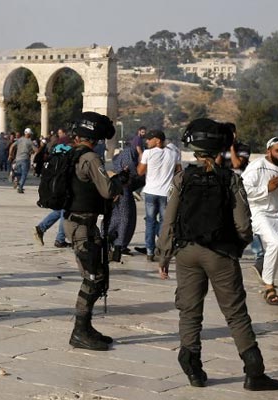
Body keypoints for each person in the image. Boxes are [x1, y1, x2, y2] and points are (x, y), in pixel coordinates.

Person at [157, 118, 278, 391]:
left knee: (189, 311)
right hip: (221, 253)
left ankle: (193, 367)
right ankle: (254, 372)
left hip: (187, 253)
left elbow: (168, 220)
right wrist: (238, 247)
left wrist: (164, 256)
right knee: (236, 314)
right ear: (218, 149)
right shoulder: (231, 180)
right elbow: (243, 224)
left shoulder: (182, 178)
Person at [63, 112, 125, 351]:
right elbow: (108, 191)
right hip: (82, 226)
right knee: (93, 278)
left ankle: (86, 327)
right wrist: (120, 181)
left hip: (77, 222)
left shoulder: (71, 154)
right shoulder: (90, 158)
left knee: (94, 275)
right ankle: (79, 330)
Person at [241, 136, 278, 305]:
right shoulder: (257, 167)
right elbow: (243, 190)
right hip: (261, 212)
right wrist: (266, 188)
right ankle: (269, 287)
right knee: (276, 242)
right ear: (269, 151)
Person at [136, 130, 181, 261]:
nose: (147, 141)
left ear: (158, 140)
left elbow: (140, 171)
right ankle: (162, 249)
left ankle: (150, 250)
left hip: (150, 192)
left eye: (150, 139)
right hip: (166, 193)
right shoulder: (173, 153)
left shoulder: (148, 153)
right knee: (164, 222)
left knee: (150, 222)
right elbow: (179, 171)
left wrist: (141, 160)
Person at [108, 143, 139, 261]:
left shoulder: (118, 158)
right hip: (124, 189)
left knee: (116, 216)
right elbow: (131, 167)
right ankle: (119, 246)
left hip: (117, 188)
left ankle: (113, 243)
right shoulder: (129, 153)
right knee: (125, 219)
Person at [8, 128, 36, 193]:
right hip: (25, 159)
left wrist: (10, 155)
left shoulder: (19, 140)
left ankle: (14, 174)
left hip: (18, 159)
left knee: (20, 174)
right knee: (24, 174)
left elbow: (12, 146)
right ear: (28, 134)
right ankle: (20, 187)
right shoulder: (30, 142)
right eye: (30, 134)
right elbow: (36, 150)